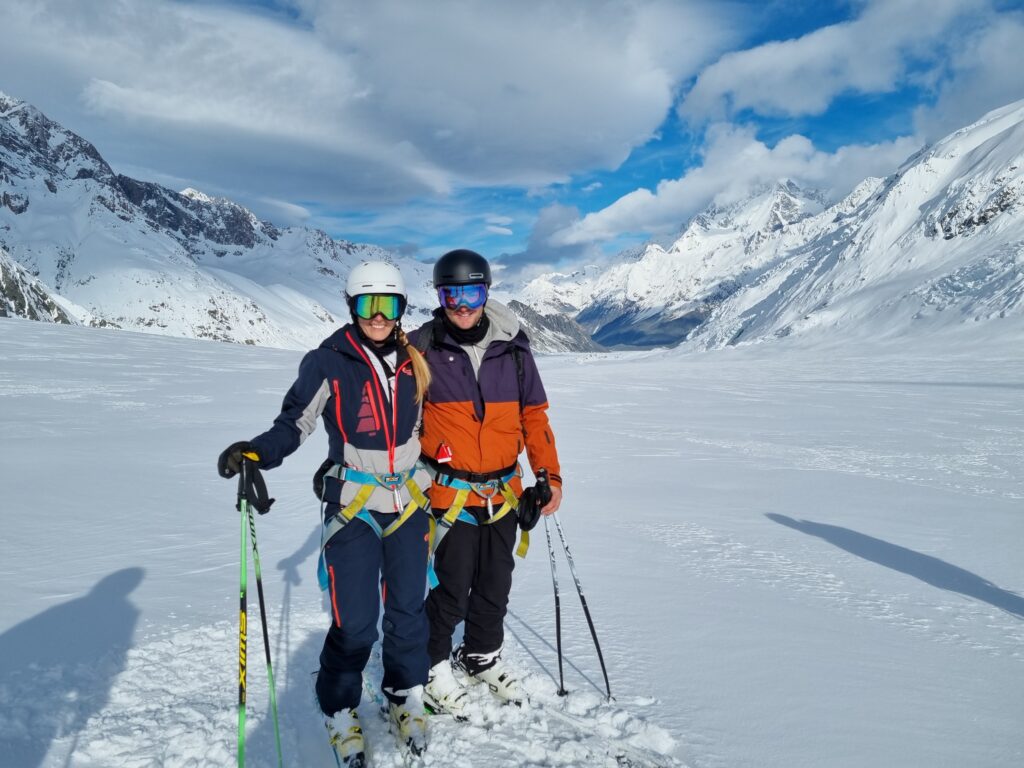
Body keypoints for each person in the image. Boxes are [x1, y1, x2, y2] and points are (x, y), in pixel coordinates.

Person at [217, 261, 433, 764]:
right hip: (355, 508)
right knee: (356, 622)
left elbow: (435, 424)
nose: (377, 316)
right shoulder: (329, 360)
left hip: (410, 505)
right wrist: (258, 452)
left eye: (388, 305)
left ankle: (404, 693)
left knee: (407, 612)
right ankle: (338, 705)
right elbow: (295, 423)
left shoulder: (413, 360)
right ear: (351, 306)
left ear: (401, 309)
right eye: (366, 305)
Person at [411, 249, 563, 717]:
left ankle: (480, 655)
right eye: (451, 293)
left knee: (497, 581)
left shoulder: (514, 350)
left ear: (486, 292)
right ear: (439, 297)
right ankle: (432, 664)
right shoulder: (421, 349)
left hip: (504, 492)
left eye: (471, 292)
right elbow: (398, 421)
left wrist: (548, 475)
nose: (462, 305)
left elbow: (533, 417)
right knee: (451, 584)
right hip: (448, 491)